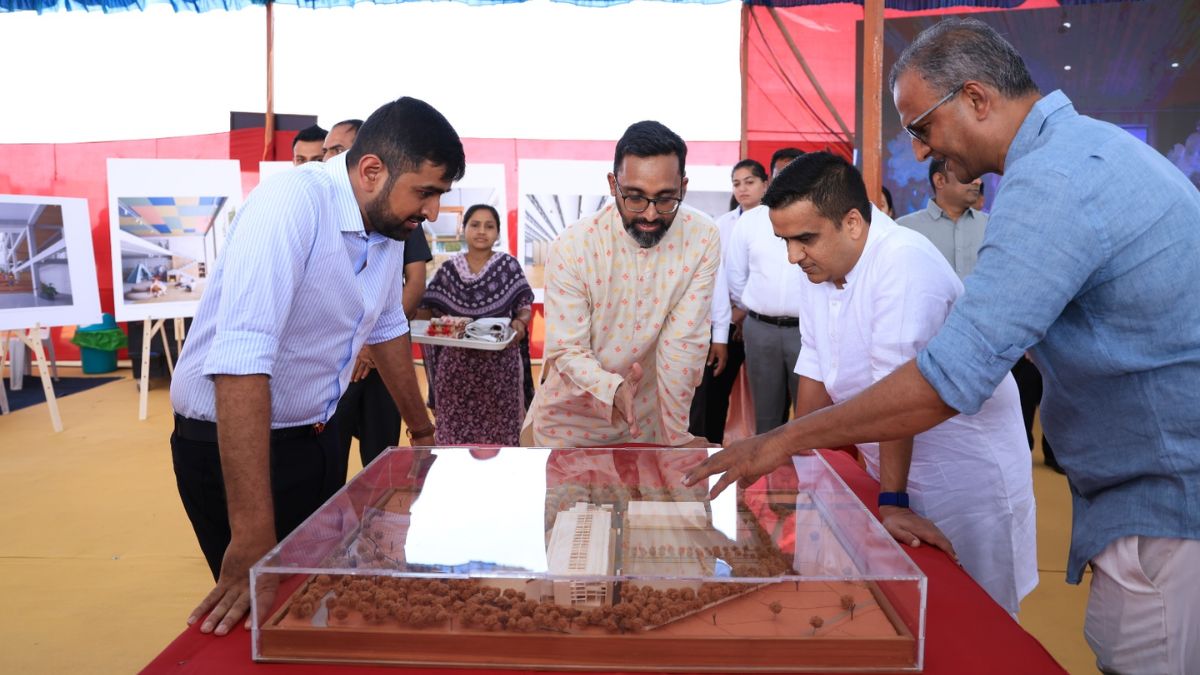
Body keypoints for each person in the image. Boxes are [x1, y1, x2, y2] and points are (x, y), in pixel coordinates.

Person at [684, 18, 1200, 674]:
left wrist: (783, 440)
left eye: (922, 126)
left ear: (976, 98)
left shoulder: (1056, 180)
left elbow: (947, 377)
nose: (922, 149)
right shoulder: (1076, 155)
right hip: (1144, 492)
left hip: (1167, 494)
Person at [170, 96, 464, 637]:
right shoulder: (291, 204)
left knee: (314, 601)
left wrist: (423, 433)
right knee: (265, 614)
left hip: (314, 438)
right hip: (234, 446)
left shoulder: (385, 227)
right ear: (371, 170)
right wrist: (252, 534)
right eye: (425, 192)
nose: (432, 212)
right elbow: (241, 360)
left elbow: (386, 327)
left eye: (439, 195)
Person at [766, 151, 1037, 614]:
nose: (793, 256)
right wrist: (799, 470)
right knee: (900, 613)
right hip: (891, 468)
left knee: (971, 617)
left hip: (964, 479)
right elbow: (816, 367)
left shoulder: (903, 262)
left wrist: (892, 500)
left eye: (804, 239)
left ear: (853, 222)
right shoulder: (819, 268)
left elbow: (896, 394)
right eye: (784, 241)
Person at [522, 120, 720, 448]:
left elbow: (683, 346)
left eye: (665, 199)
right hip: (569, 426)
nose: (651, 215)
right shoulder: (574, 246)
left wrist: (676, 438)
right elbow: (568, 349)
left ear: (683, 187)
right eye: (635, 198)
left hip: (646, 423)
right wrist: (612, 390)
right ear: (613, 184)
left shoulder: (701, 237)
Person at [322, 117, 436, 471]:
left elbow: (413, 283)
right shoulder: (312, 211)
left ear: (369, 162)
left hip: (380, 364)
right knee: (328, 457)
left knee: (382, 462)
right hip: (336, 368)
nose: (329, 160)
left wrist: (370, 346)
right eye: (326, 152)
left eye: (339, 151)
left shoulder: (398, 217)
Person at [417, 204, 533, 446]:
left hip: (500, 372)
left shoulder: (508, 266)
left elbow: (524, 304)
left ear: (497, 233)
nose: (482, 231)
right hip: (456, 374)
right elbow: (426, 310)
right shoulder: (448, 271)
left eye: (489, 226)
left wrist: (520, 322)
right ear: (464, 229)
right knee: (455, 444)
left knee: (503, 443)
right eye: (475, 225)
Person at [724, 147, 806, 434]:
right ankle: (769, 465)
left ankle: (806, 465)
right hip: (760, 330)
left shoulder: (820, 216)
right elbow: (735, 275)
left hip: (806, 331)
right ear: (771, 178)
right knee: (766, 418)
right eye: (782, 173)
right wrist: (753, 305)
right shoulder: (751, 220)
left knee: (810, 416)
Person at [688, 158, 767, 444]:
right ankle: (712, 447)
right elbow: (719, 276)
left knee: (768, 396)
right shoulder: (720, 225)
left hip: (762, 319)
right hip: (727, 321)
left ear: (765, 184)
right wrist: (731, 314)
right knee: (714, 392)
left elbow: (772, 276)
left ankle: (765, 452)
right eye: (736, 184)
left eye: (749, 182)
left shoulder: (775, 221)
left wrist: (745, 312)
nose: (742, 189)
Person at [895, 157, 986, 279]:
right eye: (969, 174)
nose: (978, 182)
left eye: (978, 175)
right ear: (940, 180)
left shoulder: (991, 226)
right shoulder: (904, 229)